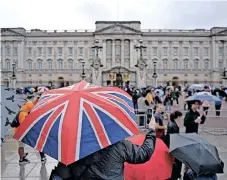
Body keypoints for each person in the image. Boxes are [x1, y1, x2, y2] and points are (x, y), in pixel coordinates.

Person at [51, 117, 157, 180]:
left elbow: (74, 170)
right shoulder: (120, 145)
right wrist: (151, 130)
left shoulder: (80, 143)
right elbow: (144, 153)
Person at [166, 111, 183, 180]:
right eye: (181, 117)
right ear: (178, 117)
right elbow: (174, 137)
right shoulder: (174, 126)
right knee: (178, 162)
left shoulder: (171, 123)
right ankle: (176, 175)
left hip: (170, 145)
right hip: (173, 146)